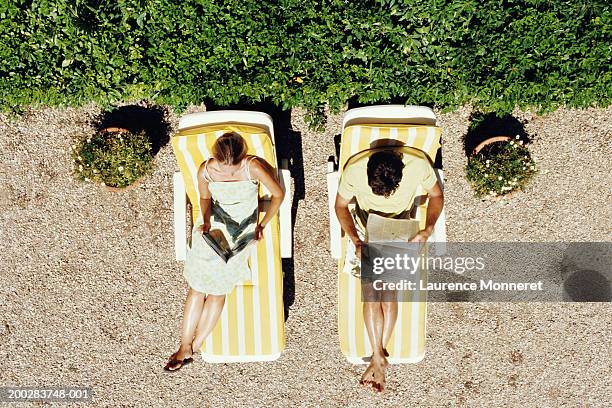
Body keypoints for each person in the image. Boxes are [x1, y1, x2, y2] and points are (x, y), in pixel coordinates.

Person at [164, 132, 285, 371]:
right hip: (242, 235)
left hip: (213, 229)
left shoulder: (206, 170)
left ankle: (184, 345)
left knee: (197, 290)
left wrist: (207, 221)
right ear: (243, 152)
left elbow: (205, 199)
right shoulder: (252, 167)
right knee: (217, 293)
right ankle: (193, 347)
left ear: (215, 153)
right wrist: (261, 224)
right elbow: (278, 194)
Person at [334, 146, 444, 392]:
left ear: (401, 172)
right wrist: (356, 241)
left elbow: (436, 196)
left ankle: (377, 357)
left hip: (399, 229)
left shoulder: (417, 163)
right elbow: (340, 206)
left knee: (388, 291)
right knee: (373, 294)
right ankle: (379, 356)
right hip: (367, 230)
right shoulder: (354, 169)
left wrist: (428, 228)